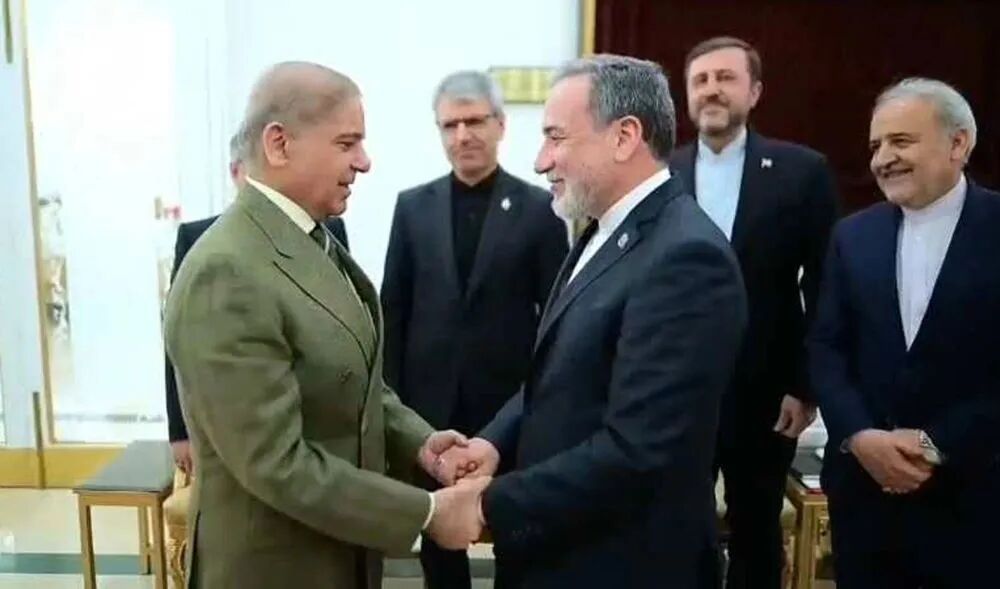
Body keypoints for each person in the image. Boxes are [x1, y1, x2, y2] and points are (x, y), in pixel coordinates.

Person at [163, 61, 487, 589]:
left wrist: (421, 444)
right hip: (275, 569)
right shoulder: (226, 272)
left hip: (336, 555)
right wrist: (426, 513)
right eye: (346, 143)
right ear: (279, 145)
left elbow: (348, 379)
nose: (364, 162)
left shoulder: (311, 240)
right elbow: (275, 462)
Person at [440, 54, 747, 588]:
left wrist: (488, 504)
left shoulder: (686, 258)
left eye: (556, 137)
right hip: (565, 550)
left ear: (624, 137)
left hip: (623, 564)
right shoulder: (602, 230)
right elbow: (562, 373)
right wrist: (494, 443)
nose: (541, 161)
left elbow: (638, 449)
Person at [809, 77, 1000, 588]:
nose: (882, 159)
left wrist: (936, 443)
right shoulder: (852, 235)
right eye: (876, 146)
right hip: (864, 499)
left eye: (900, 141)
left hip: (975, 497)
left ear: (958, 144)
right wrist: (861, 437)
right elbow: (826, 348)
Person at [381, 70, 567, 589]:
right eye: (450, 125)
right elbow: (393, 311)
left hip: (507, 408)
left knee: (517, 533)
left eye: (475, 121)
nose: (463, 135)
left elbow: (556, 320)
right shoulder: (412, 208)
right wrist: (393, 408)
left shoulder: (540, 210)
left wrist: (540, 402)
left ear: (500, 125)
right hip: (430, 410)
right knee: (440, 541)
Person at [669, 36, 839, 588]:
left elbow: (824, 285)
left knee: (756, 530)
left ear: (755, 91)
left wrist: (804, 386)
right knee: (678, 527)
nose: (712, 90)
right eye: (700, 80)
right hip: (675, 388)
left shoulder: (801, 171)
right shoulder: (659, 173)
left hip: (767, 393)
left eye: (726, 78)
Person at [165, 132, 348, 474]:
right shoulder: (200, 239)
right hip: (238, 419)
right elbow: (177, 349)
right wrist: (180, 431)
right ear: (235, 173)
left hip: (319, 417)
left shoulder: (328, 231)